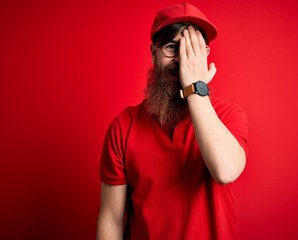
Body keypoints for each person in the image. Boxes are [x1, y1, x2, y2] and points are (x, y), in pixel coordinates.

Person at [97, 3, 248, 240]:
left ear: (205, 54)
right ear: (153, 53)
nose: (182, 60)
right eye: (172, 47)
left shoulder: (229, 116)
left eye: (192, 50)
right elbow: (111, 219)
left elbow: (226, 170)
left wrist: (195, 88)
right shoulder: (123, 127)